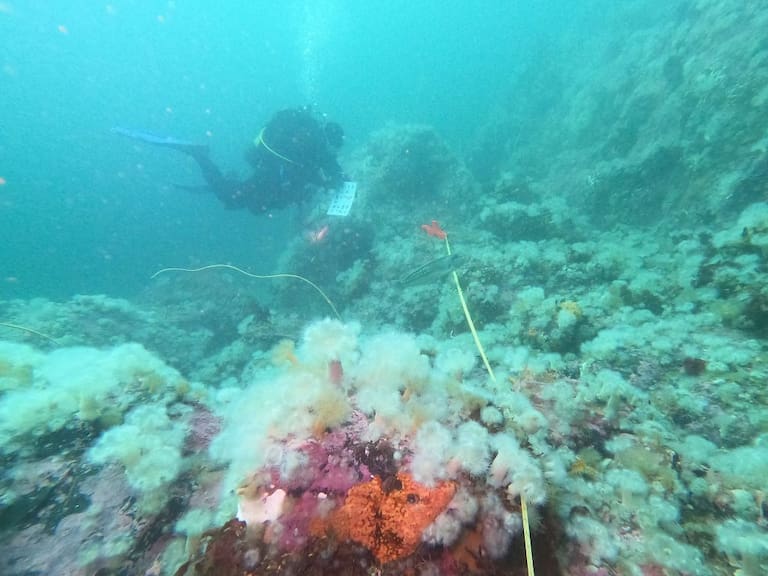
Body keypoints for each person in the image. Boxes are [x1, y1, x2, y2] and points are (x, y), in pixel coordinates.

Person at [114, 106, 345, 215]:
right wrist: (336, 180)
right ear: (330, 137)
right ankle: (200, 155)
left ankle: (225, 179)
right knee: (232, 200)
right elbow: (322, 167)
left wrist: (327, 182)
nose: (332, 151)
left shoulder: (307, 139)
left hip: (269, 169)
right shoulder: (317, 143)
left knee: (252, 202)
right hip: (271, 174)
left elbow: (310, 171)